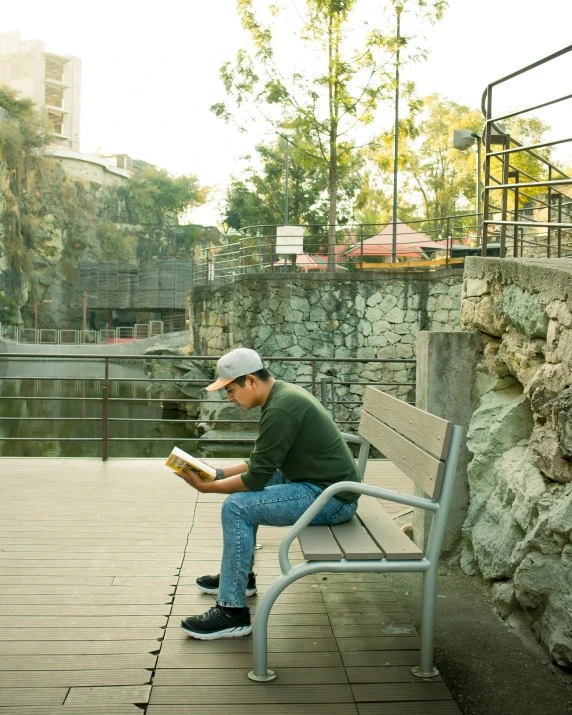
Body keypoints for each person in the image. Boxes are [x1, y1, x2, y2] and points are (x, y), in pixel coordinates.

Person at [173, 347, 362, 640]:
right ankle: (240, 579)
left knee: (237, 506)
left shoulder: (281, 408)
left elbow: (256, 478)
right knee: (242, 497)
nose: (229, 398)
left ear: (250, 381)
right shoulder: (281, 396)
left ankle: (232, 611)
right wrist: (219, 473)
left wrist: (205, 487)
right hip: (321, 484)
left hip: (332, 498)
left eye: (230, 389)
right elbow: (261, 462)